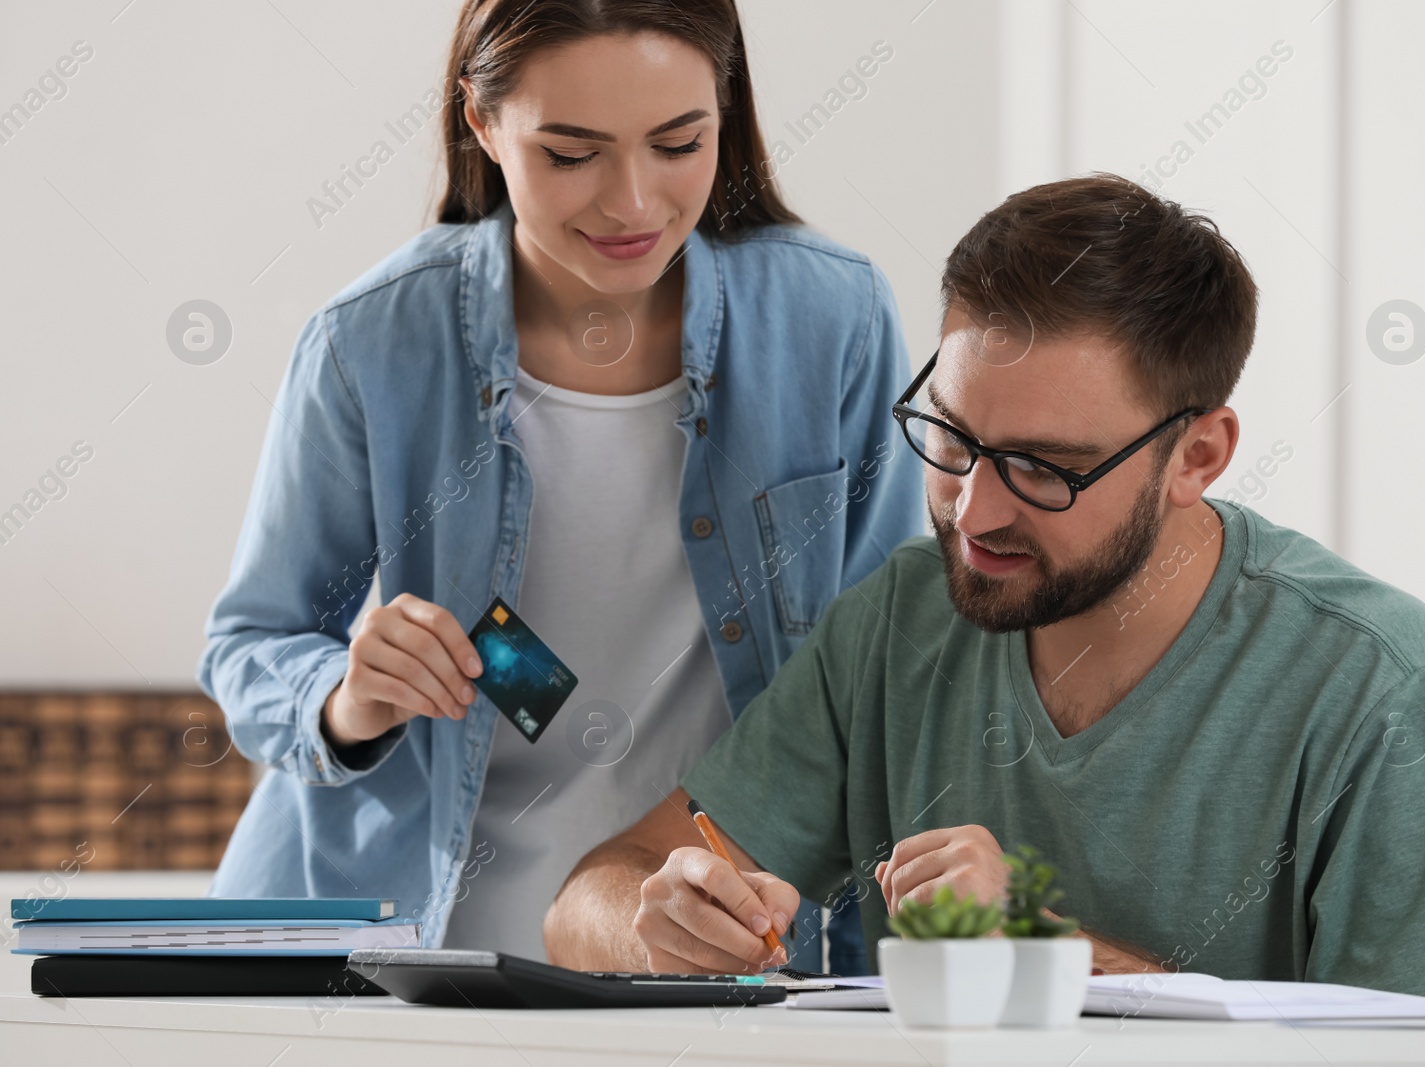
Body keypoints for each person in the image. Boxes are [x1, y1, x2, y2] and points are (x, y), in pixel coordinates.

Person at [543, 174, 1425, 1023]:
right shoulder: (901, 620)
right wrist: (653, 917)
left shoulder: (1391, 692)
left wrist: (1035, 947)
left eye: (1042, 465)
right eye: (953, 437)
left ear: (1197, 454)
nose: (972, 510)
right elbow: (588, 897)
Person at [195, 0, 921, 970]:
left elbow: (884, 673)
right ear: (482, 122)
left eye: (678, 142)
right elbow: (252, 640)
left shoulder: (835, 319)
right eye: (571, 154)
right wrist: (345, 696)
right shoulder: (370, 339)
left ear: (726, 108)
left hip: (701, 951)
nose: (631, 203)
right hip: (409, 954)